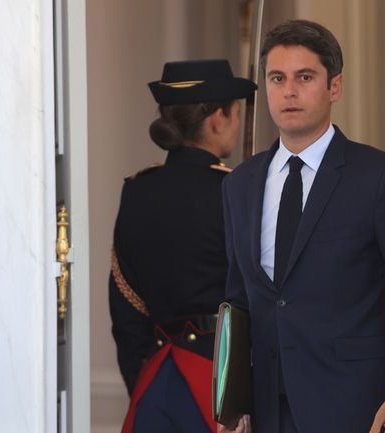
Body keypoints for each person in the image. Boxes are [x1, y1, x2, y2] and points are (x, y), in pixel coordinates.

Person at [219, 19, 385, 433]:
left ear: (334, 87)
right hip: (265, 413)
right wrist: (233, 404)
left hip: (355, 409)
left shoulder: (379, 179)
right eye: (277, 78)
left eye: (304, 77)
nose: (289, 90)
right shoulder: (239, 184)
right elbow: (239, 305)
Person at [109, 59, 256, 433]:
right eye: (235, 113)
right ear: (217, 118)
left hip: (154, 384)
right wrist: (244, 398)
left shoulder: (137, 190)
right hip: (219, 390)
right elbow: (258, 303)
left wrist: (143, 381)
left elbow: (126, 310)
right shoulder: (235, 190)